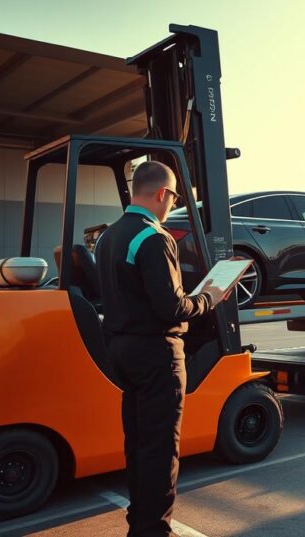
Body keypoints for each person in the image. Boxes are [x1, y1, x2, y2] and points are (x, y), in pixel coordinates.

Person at [95, 161, 225, 537]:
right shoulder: (154, 237)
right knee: (162, 451)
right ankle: (153, 532)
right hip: (157, 355)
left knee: (137, 445)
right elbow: (172, 307)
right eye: (174, 198)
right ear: (162, 194)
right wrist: (208, 299)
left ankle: (139, 526)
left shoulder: (109, 236)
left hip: (121, 351)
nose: (172, 205)